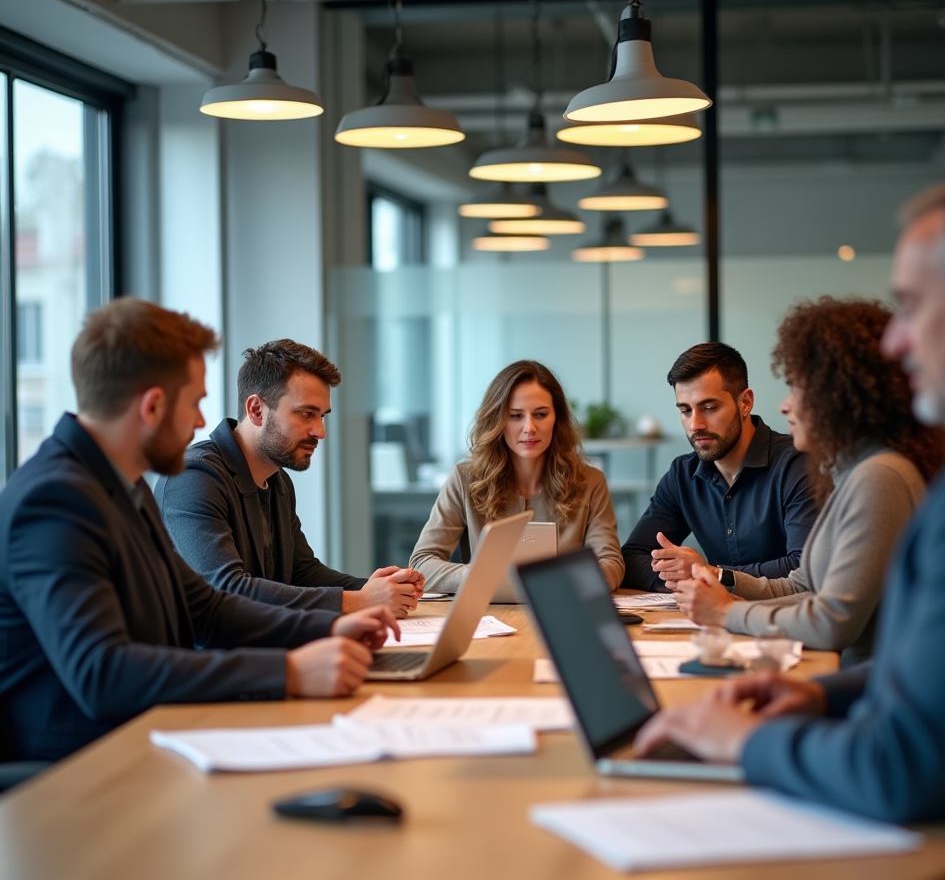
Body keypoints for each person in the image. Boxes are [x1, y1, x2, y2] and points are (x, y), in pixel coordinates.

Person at [635, 171, 945, 880]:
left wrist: (739, 741)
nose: (896, 341)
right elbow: (928, 672)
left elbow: (900, 768)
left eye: (913, 306)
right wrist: (816, 690)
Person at [0, 300, 399, 764]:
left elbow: (205, 607)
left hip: (147, 740)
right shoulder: (53, 501)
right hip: (78, 775)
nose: (198, 422)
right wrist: (286, 671)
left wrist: (331, 623)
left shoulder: (125, 485)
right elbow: (101, 673)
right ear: (152, 406)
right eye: (194, 404)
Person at [672, 298, 945, 666]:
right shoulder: (852, 473)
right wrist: (721, 583)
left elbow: (832, 622)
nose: (784, 406)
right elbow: (802, 587)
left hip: (858, 689)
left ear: (840, 396)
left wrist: (727, 614)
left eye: (796, 388)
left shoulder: (879, 477)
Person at [156, 339, 424, 618]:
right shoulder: (193, 478)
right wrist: (359, 601)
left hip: (263, 647)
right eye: (306, 414)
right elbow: (227, 589)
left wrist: (377, 588)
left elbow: (301, 571)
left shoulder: (278, 481)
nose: (320, 431)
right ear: (256, 410)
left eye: (322, 417)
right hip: (209, 658)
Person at [410, 360, 624, 591]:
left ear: (557, 419)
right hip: (485, 619)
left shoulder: (590, 482)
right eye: (515, 416)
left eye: (540, 414)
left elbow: (612, 564)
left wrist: (567, 578)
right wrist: (484, 575)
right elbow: (421, 565)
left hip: (562, 610)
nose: (529, 427)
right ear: (498, 420)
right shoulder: (464, 479)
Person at [621, 343, 819, 591]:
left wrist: (711, 575)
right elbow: (631, 558)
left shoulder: (797, 465)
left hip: (782, 622)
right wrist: (695, 580)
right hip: (712, 620)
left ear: (745, 402)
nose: (695, 424)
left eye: (709, 408)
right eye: (685, 410)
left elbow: (804, 569)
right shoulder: (682, 475)